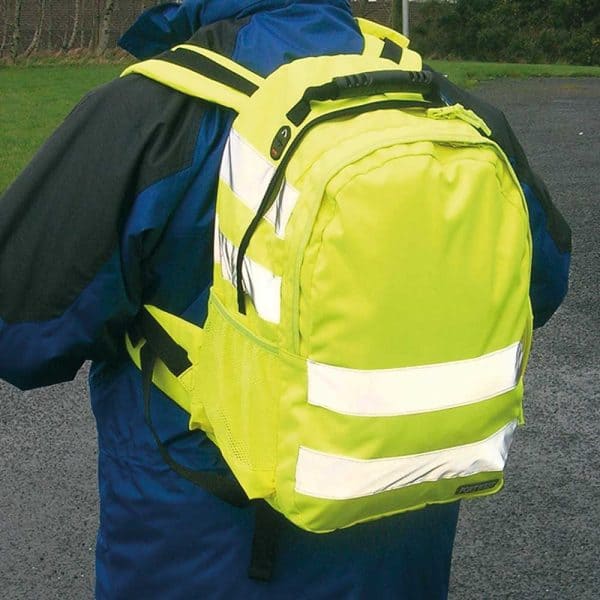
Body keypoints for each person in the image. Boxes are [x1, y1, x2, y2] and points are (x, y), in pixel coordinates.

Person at [0, 1, 570, 598]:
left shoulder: (151, 116)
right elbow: (543, 282)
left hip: (199, 564)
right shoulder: (445, 105)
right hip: (401, 554)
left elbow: (20, 329)